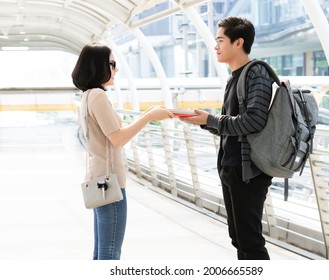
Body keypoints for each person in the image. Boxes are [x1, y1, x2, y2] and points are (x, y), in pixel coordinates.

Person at [181, 16, 275, 260]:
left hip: (248, 172)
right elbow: (234, 125)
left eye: (220, 40)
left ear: (238, 42)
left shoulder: (257, 73)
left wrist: (211, 120)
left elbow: (255, 121)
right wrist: (205, 122)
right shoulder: (235, 77)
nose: (216, 46)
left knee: (250, 241)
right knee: (238, 238)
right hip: (232, 168)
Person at [71, 43, 174, 260]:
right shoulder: (98, 96)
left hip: (98, 179)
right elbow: (117, 138)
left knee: (101, 251)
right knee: (110, 253)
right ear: (98, 65)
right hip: (109, 183)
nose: (116, 69)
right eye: (112, 63)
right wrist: (149, 116)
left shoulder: (88, 95)